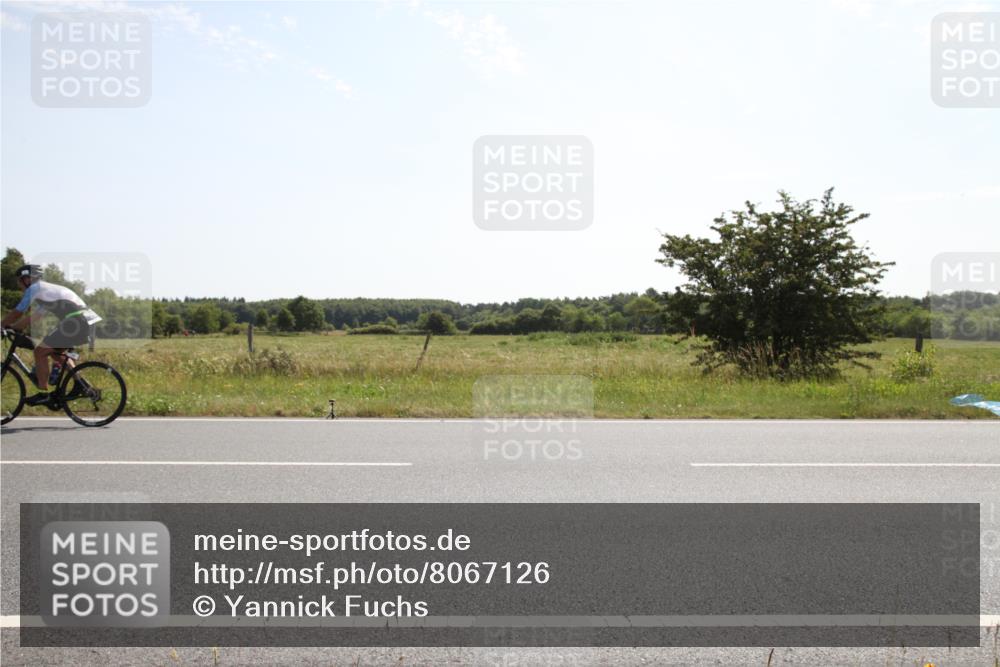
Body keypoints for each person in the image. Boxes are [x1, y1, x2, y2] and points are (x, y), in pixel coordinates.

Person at [0, 264, 102, 407]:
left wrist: (1, 325)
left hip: (77, 321)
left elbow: (18, 312)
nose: (19, 285)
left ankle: (44, 394)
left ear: (27, 279)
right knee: (55, 354)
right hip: (83, 320)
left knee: (40, 351)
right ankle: (82, 385)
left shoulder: (35, 288)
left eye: (19, 280)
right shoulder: (45, 292)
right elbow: (33, 317)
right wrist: (13, 328)